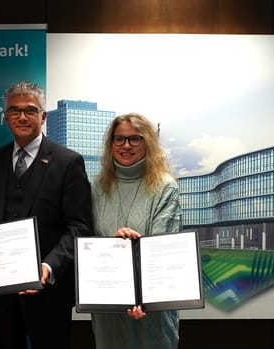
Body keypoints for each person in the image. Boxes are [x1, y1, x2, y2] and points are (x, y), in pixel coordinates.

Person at [0, 80, 93, 349]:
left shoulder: (68, 162)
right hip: (3, 290)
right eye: (14, 111)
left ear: (43, 116)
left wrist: (48, 267)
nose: (22, 117)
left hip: (48, 290)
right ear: (6, 117)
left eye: (30, 110)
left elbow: (80, 227)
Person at [90, 112, 181, 349]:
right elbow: (87, 241)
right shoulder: (96, 187)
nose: (126, 145)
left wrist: (142, 298)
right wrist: (112, 246)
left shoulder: (165, 186)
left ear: (147, 142)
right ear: (111, 145)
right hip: (108, 305)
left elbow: (164, 246)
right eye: (119, 139)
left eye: (135, 139)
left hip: (153, 308)